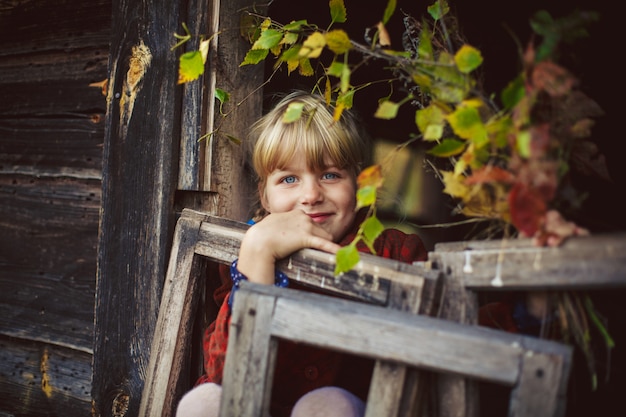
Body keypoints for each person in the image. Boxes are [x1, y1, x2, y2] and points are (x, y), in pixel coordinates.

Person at [175, 90, 429, 417]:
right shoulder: (245, 249)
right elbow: (227, 374)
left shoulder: (395, 251)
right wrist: (258, 254)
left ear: (361, 184)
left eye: (330, 175)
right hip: (253, 403)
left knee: (326, 407)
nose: (310, 195)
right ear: (264, 197)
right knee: (204, 403)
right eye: (289, 178)